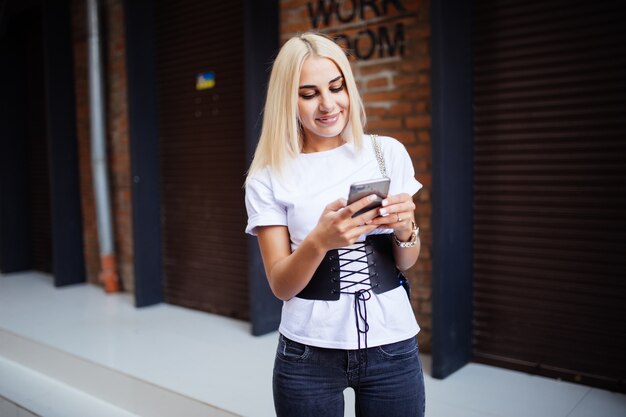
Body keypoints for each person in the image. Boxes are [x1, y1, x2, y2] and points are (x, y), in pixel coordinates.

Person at [245, 32, 425, 417]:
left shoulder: (387, 152)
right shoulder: (268, 175)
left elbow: (406, 263)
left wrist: (405, 229)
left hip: (392, 345)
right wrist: (319, 241)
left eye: (336, 87)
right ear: (286, 101)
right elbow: (280, 285)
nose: (328, 104)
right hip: (307, 354)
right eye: (308, 94)